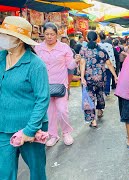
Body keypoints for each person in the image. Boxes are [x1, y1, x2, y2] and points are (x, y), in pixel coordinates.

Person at [0, 16, 50, 180]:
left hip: (30, 128)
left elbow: (42, 99)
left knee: (37, 173)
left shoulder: (35, 65)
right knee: (5, 173)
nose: (2, 38)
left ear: (20, 40)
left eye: (7, 35)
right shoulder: (1, 58)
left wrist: (30, 130)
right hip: (3, 127)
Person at [35, 22, 81, 147]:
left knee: (62, 110)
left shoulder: (64, 48)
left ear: (57, 35)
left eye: (52, 34)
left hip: (61, 84)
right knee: (50, 112)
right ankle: (53, 135)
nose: (49, 37)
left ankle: (66, 132)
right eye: (47, 34)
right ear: (43, 34)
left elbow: (69, 66)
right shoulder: (38, 48)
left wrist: (75, 61)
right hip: (44, 85)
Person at [80, 31, 118, 128]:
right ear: (97, 39)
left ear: (87, 39)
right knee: (100, 94)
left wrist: (82, 77)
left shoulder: (83, 50)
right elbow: (109, 64)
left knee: (90, 98)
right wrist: (115, 76)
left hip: (88, 78)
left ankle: (93, 120)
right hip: (101, 77)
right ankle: (100, 110)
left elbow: (82, 63)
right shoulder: (102, 50)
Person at [98, 31, 116, 96]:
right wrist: (113, 65)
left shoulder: (98, 45)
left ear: (99, 37)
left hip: (100, 66)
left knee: (101, 79)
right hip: (108, 65)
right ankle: (107, 91)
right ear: (105, 37)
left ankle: (101, 90)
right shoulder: (109, 45)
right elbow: (112, 56)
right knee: (108, 79)